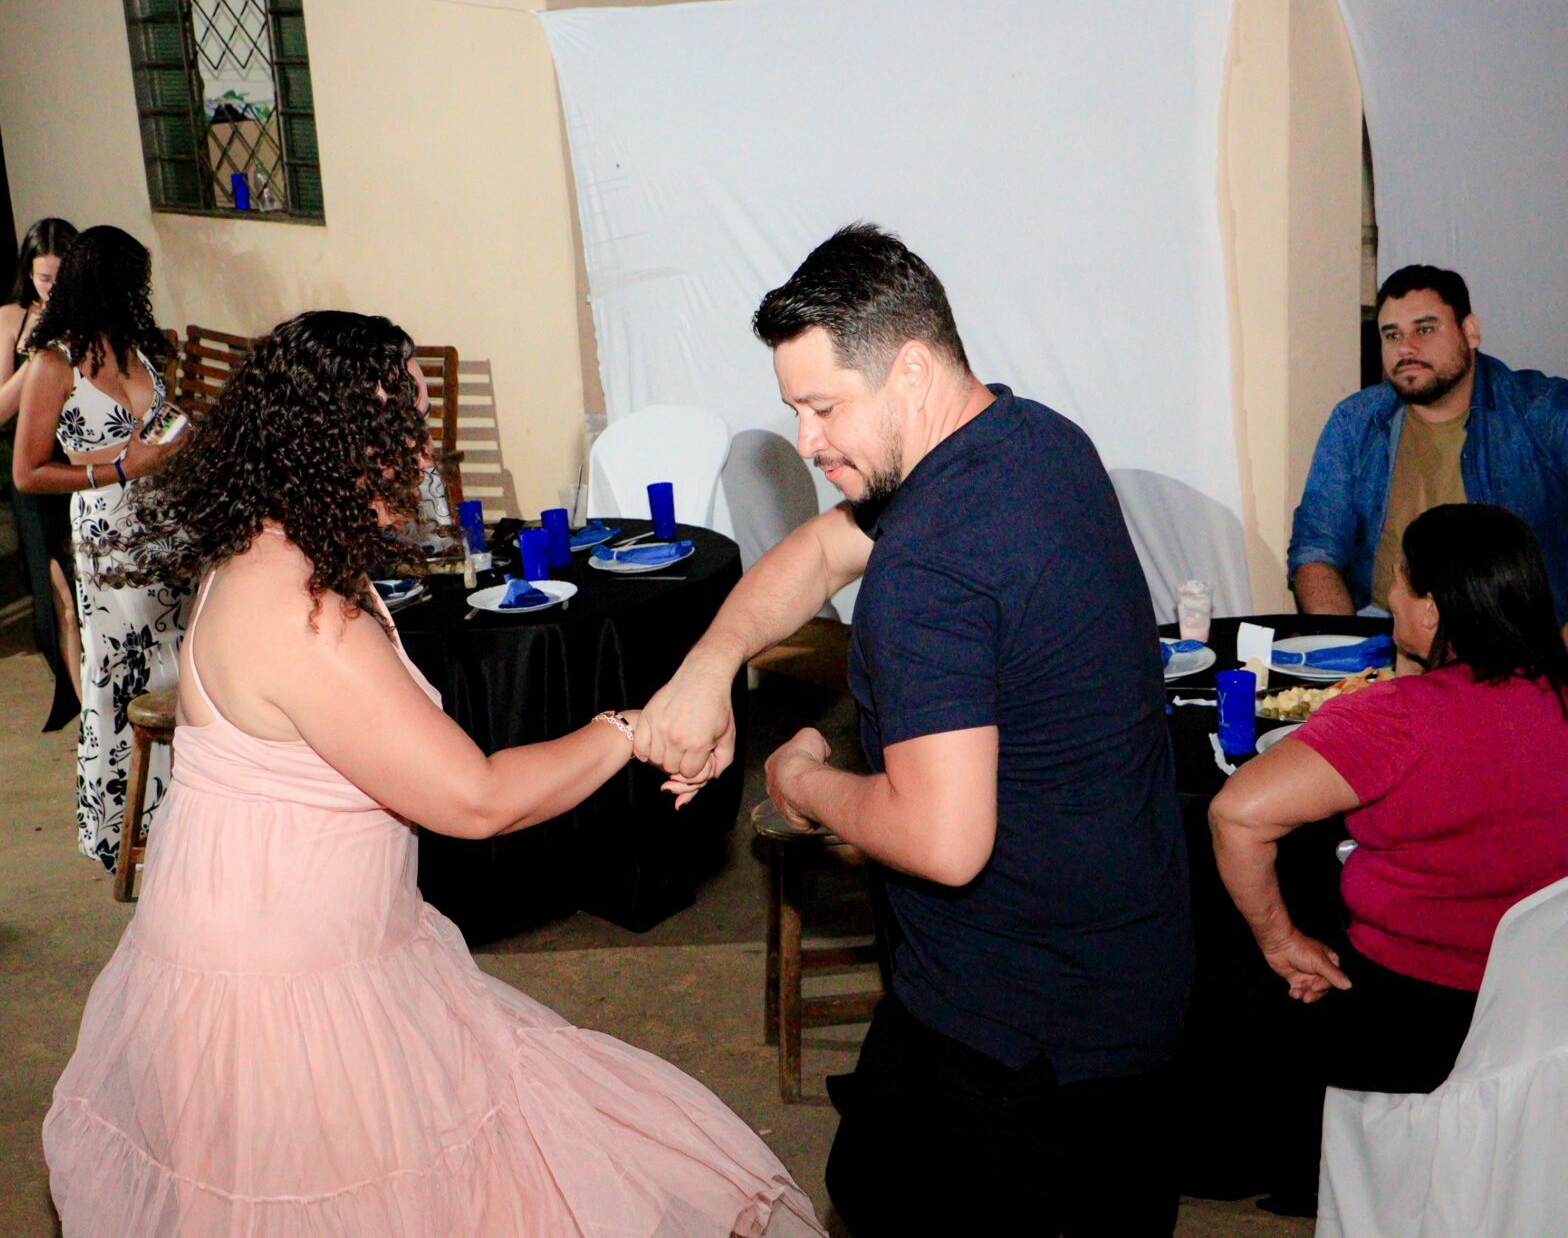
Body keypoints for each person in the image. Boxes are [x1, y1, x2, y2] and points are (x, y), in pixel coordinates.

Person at [41, 310, 820, 1237]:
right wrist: (632, 729)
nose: (424, 451)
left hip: (288, 946)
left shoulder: (275, 556)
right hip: (287, 988)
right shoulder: (301, 613)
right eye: (404, 425)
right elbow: (476, 799)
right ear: (340, 442)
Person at [636, 224, 1193, 1236]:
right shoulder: (1034, 440)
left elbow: (942, 838)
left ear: (912, 369)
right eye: (794, 411)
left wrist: (802, 779)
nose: (807, 440)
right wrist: (709, 666)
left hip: (1015, 1039)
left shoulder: (926, 568)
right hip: (1130, 979)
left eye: (824, 407)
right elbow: (819, 552)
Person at [1209, 502, 1568, 1215]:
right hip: (1542, 1003)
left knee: (1241, 977)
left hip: (1413, 1024)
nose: (1390, 597)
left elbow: (1236, 815)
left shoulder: (1395, 719)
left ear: (1433, 610)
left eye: (1400, 582)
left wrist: (1281, 943)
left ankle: (1277, 1177)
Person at [12, 225, 189, 872]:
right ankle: (126, 827)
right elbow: (28, 472)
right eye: (132, 281)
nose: (141, 292)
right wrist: (118, 469)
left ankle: (186, 820)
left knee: (182, 666)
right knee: (126, 671)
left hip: (169, 529)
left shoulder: (141, 348)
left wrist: (178, 441)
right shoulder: (53, 363)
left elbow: (156, 429)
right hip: (109, 534)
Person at [1288, 264, 1568, 627]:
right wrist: (1342, 648)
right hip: (1383, 634)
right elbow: (1316, 549)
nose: (1406, 348)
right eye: (1392, 335)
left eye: (1425, 329)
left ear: (1470, 332)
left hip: (1510, 639)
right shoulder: (1355, 421)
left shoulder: (1541, 411)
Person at [0, 216, 81, 731]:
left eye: (62, 277)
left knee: (89, 596)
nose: (53, 288)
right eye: (44, 278)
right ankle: (85, 710)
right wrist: (39, 357)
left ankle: (103, 704)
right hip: (37, 470)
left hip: (88, 465)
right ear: (28, 274)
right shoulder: (9, 320)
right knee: (60, 597)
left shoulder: (94, 317)